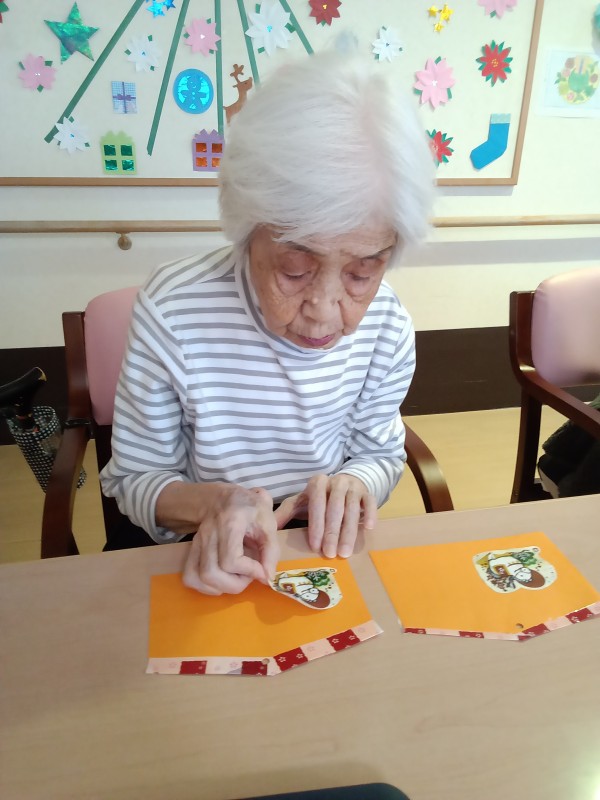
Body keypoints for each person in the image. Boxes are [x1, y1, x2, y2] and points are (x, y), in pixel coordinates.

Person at [99, 50, 435, 596]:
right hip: (201, 542)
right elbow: (135, 478)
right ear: (245, 231)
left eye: (361, 273)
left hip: (315, 547)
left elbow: (379, 453)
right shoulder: (174, 309)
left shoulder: (388, 322)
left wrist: (355, 483)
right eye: (295, 270)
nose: (324, 310)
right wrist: (213, 504)